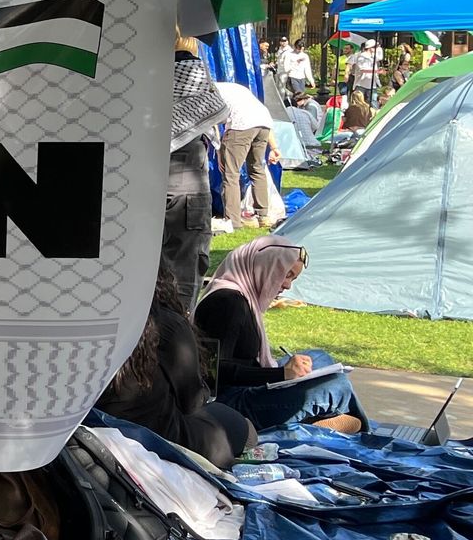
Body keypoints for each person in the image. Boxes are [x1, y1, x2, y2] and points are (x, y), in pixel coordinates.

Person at [194, 237, 364, 433]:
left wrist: (285, 375)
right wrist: (280, 375)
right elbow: (212, 371)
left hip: (247, 385)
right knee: (336, 385)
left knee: (319, 358)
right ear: (263, 266)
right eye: (286, 275)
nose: (287, 285)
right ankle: (349, 426)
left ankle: (324, 422)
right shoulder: (228, 303)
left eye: (292, 278)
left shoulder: (244, 296)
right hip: (228, 402)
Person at [99, 277, 257, 468]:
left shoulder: (97, 315)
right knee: (246, 430)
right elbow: (192, 402)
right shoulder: (167, 323)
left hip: (105, 426)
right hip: (159, 437)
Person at [164, 36, 227, 291]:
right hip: (184, 183)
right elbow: (217, 109)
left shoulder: (139, 73)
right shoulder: (191, 70)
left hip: (149, 173)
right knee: (185, 267)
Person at [215, 80, 280, 229]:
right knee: (257, 169)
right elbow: (261, 119)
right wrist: (274, 147)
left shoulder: (209, 92)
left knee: (231, 174)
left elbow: (212, 123)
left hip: (241, 125)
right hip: (264, 123)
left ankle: (232, 222)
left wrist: (219, 150)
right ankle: (263, 216)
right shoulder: (236, 88)